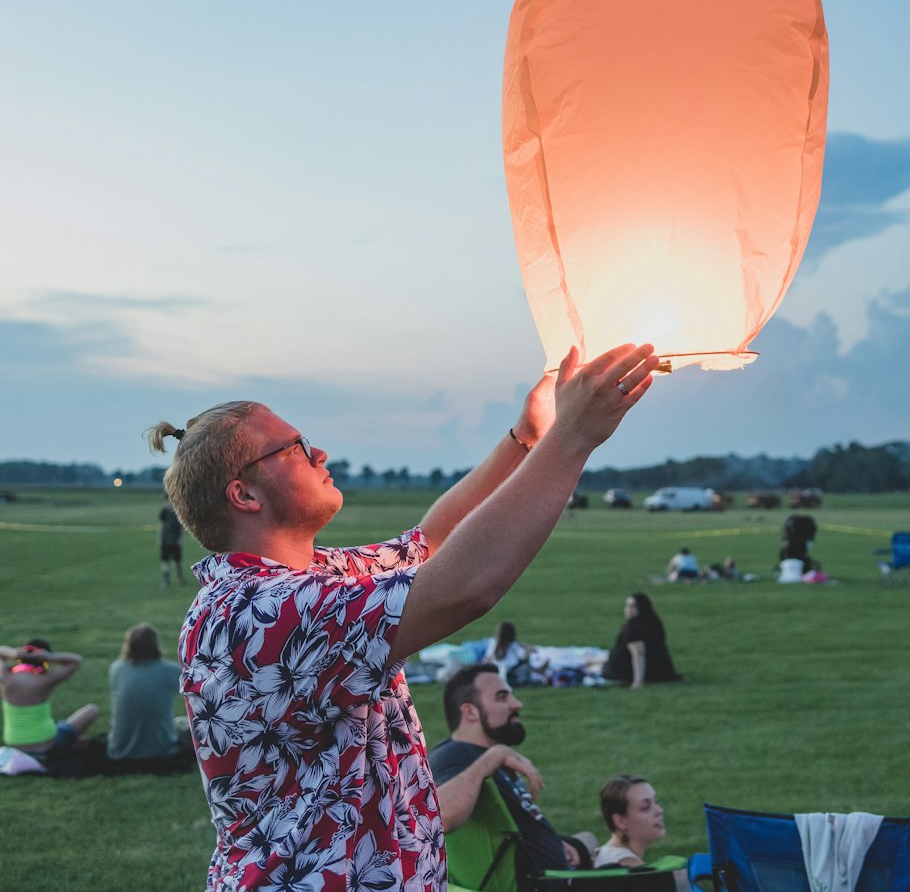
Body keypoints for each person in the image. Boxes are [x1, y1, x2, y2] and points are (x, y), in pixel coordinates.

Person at [149, 340, 658, 892]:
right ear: (244, 493)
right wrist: (574, 438)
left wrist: (529, 437)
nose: (319, 455)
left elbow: (431, 544)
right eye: (295, 448)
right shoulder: (261, 612)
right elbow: (465, 586)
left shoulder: (309, 581)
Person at [429, 663, 595, 872]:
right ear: (470, 712)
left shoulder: (478, 755)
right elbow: (439, 817)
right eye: (502, 697)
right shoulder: (453, 755)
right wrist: (494, 756)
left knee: (591, 840)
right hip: (544, 885)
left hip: (558, 872)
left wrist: (556, 843)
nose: (517, 704)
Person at [0, 638, 99, 759]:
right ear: (44, 660)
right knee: (92, 710)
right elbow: (75, 661)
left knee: (55, 724)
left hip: (14, 745)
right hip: (46, 745)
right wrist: (52, 657)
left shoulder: (6, 677)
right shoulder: (46, 679)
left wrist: (13, 653)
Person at [106, 623, 189, 762]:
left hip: (118, 749)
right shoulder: (171, 671)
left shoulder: (116, 669)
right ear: (156, 645)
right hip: (161, 749)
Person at [594, 775, 691, 890]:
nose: (659, 810)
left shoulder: (604, 854)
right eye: (645, 807)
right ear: (620, 821)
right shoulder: (632, 871)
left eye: (656, 802)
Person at [603, 593, 683, 688]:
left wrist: (638, 682)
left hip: (625, 672)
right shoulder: (654, 622)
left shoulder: (633, 628)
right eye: (627, 606)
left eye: (633, 606)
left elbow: (638, 653)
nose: (629, 610)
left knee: (595, 666)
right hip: (658, 670)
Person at [483, 621, 546, 686]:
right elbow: (522, 657)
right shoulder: (513, 645)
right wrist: (528, 650)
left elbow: (488, 657)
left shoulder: (493, 642)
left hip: (498, 669)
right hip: (513, 670)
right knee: (525, 666)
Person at [159, 493, 186, 587]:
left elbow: (182, 527)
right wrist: (160, 538)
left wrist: (180, 539)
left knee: (177, 561)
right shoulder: (164, 511)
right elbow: (162, 526)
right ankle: (166, 580)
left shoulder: (177, 512)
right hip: (166, 540)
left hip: (174, 540)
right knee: (165, 560)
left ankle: (180, 578)